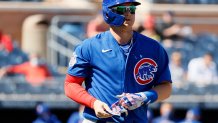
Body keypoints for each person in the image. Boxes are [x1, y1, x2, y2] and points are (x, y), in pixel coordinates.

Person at [64, 0, 172, 122]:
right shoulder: (90, 46)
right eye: (121, 9)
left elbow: (166, 87)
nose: (128, 13)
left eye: (132, 9)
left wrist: (143, 97)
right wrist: (93, 103)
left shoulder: (153, 48)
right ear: (107, 12)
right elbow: (70, 84)